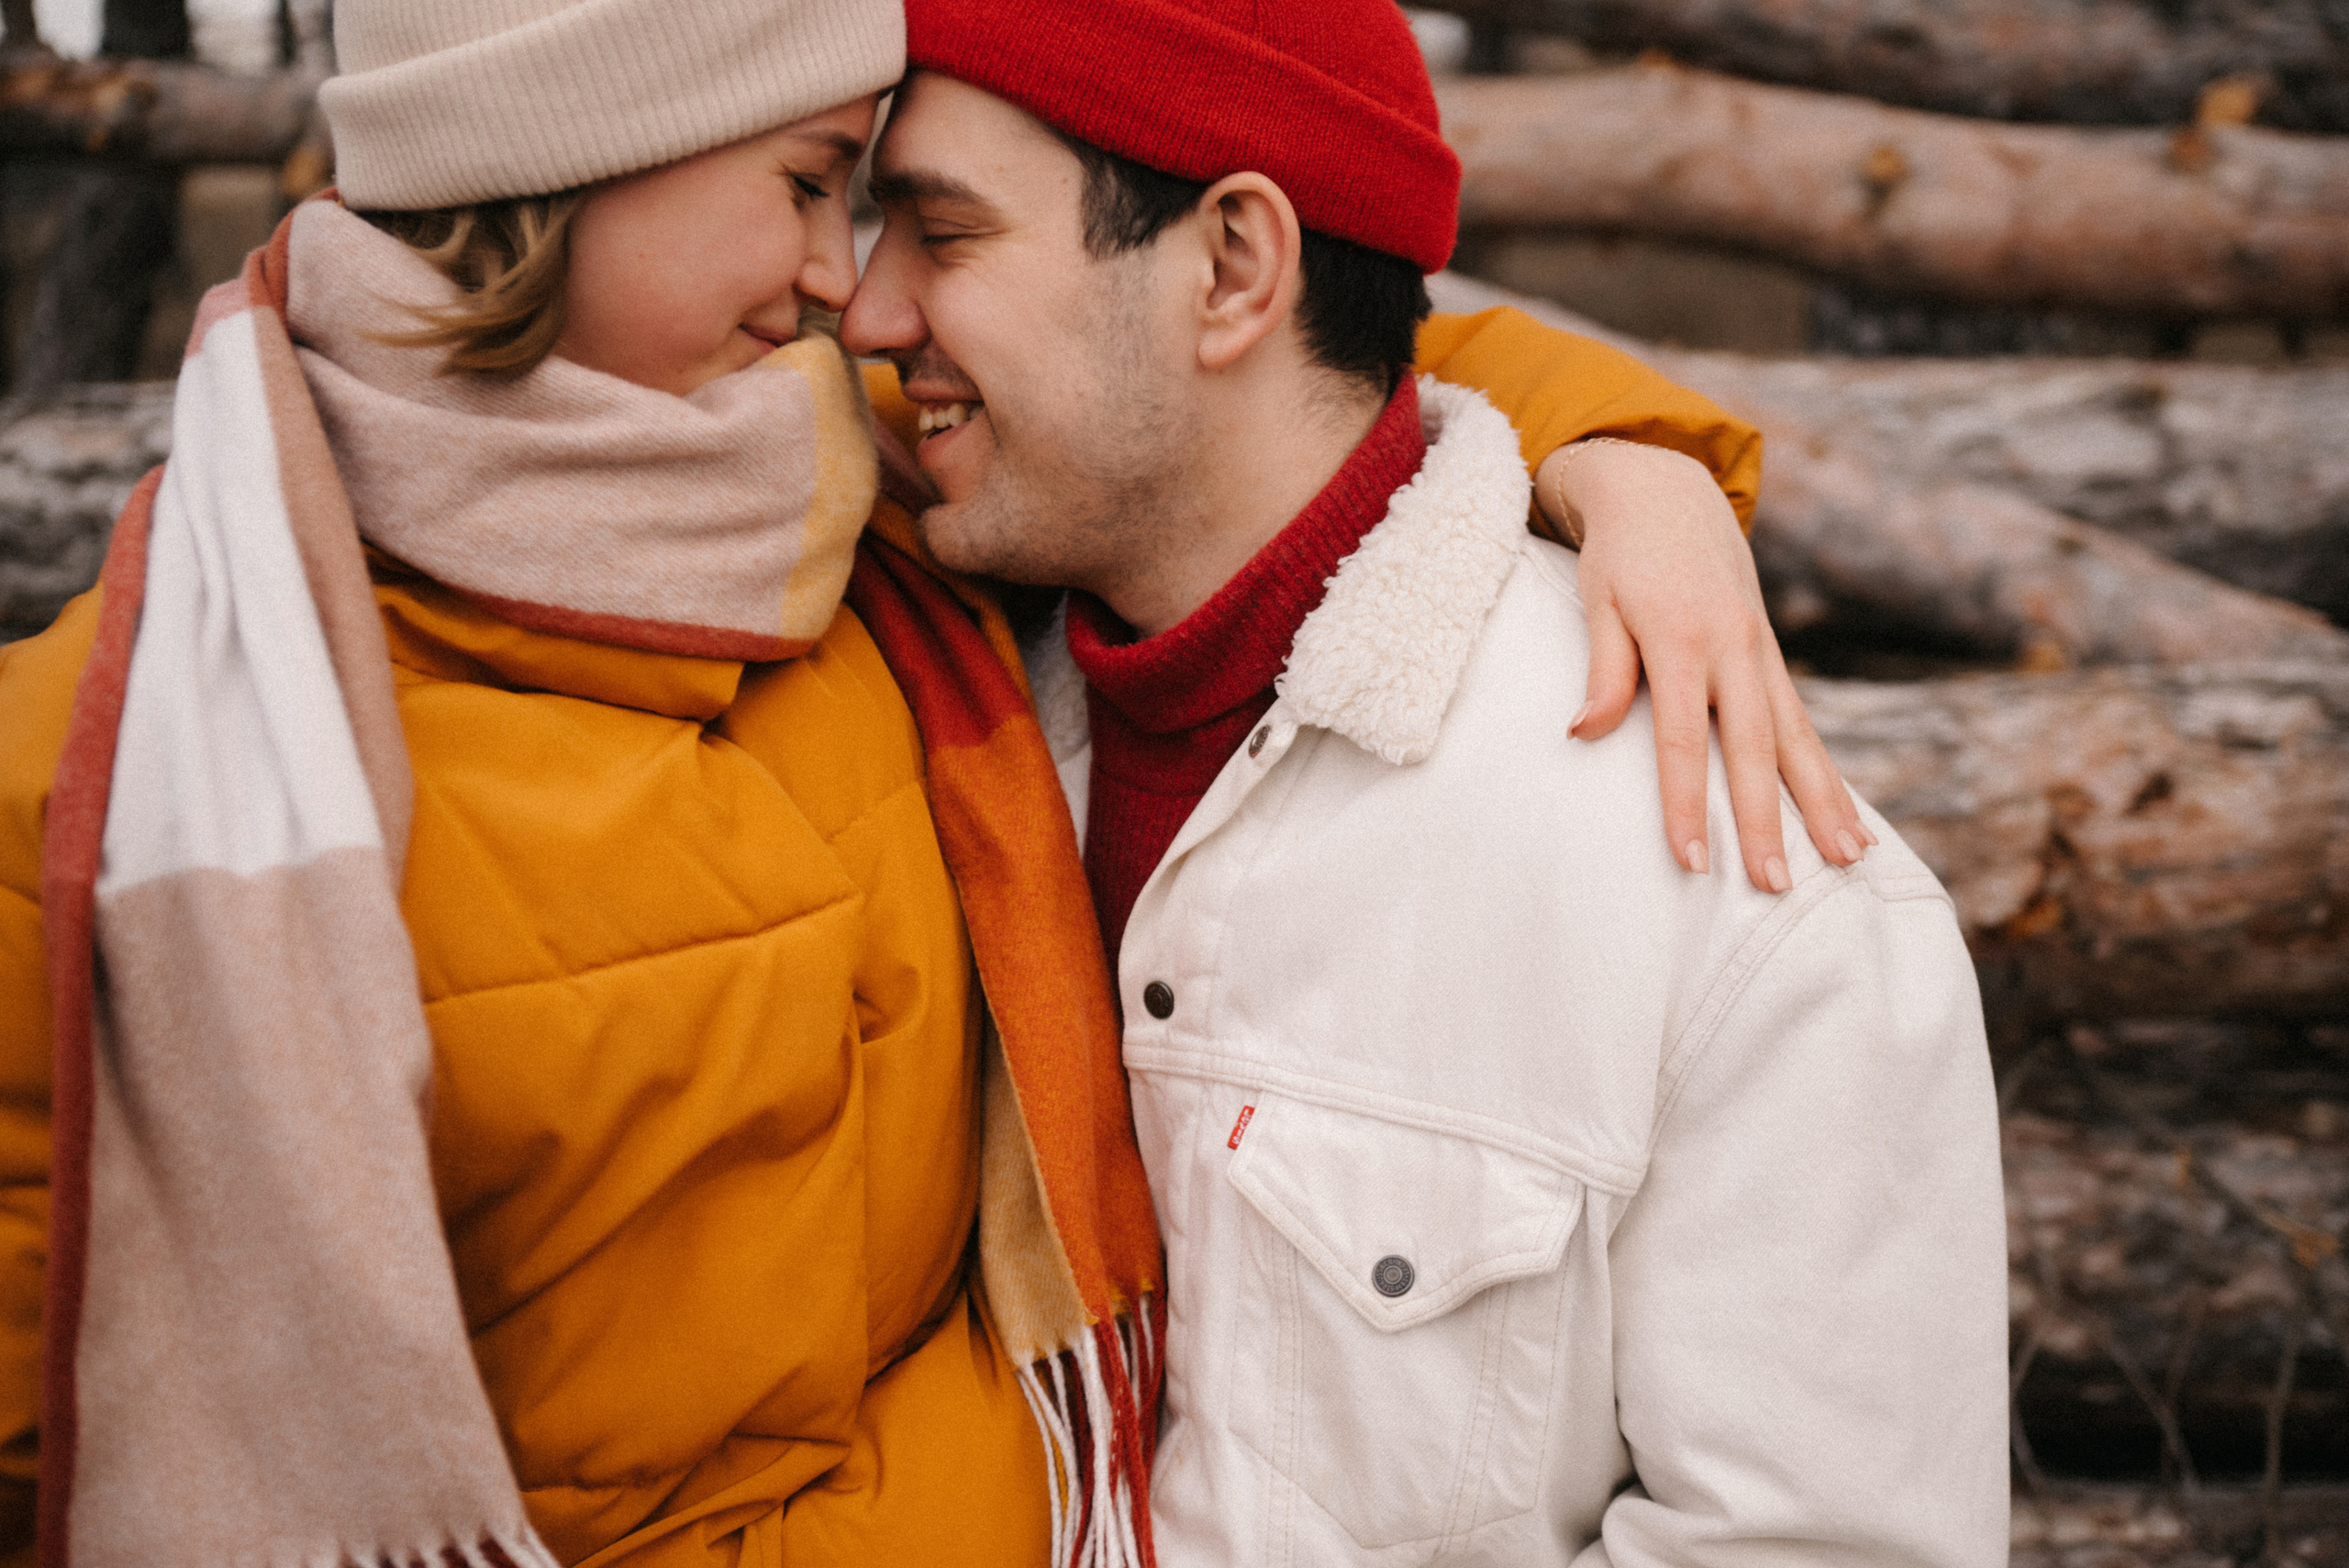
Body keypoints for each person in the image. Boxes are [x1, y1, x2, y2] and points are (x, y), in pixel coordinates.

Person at [0, 5, 1864, 1568]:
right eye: (814, 189)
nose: (851, 290)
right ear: (568, 164)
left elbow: (1268, 376)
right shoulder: (133, 765)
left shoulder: (837, 511)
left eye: (898, 215)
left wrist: (1638, 462)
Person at [840, 0, 2013, 1562]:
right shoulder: (900, 697)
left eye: (942, 234)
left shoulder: (1735, 889)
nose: (862, 315)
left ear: (1236, 269)